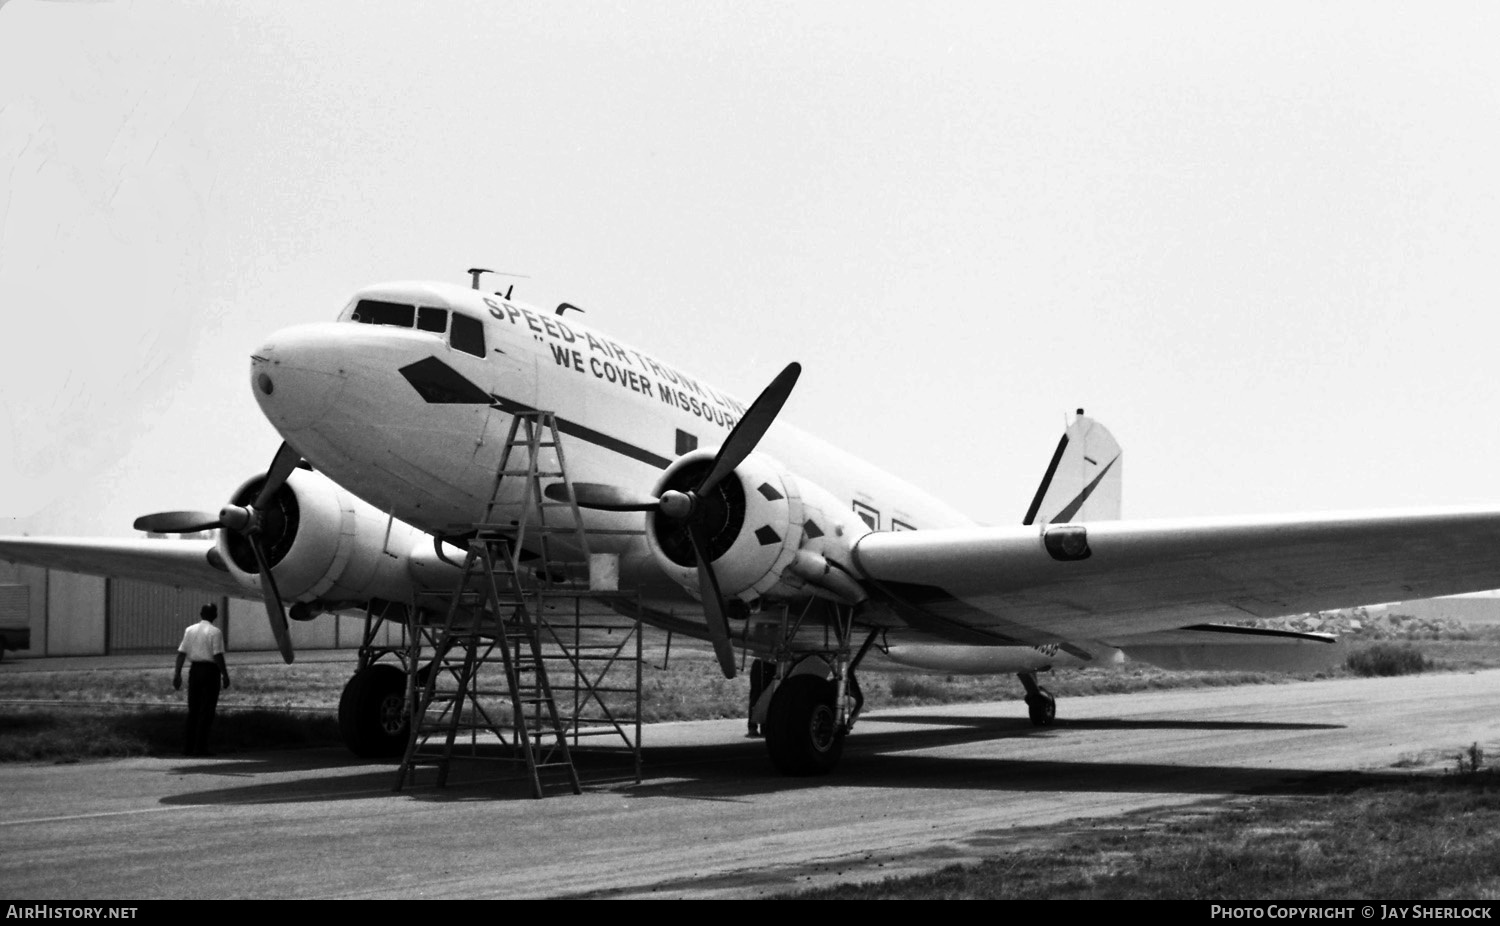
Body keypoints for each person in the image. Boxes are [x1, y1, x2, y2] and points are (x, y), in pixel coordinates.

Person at [173, 603, 230, 756]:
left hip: (195, 670)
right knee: (207, 709)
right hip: (210, 671)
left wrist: (177, 673)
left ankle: (188, 747)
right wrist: (224, 673)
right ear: (215, 615)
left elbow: (181, 653)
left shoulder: (189, 630)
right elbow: (218, 654)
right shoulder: (215, 632)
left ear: (201, 614)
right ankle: (201, 747)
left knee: (193, 709)